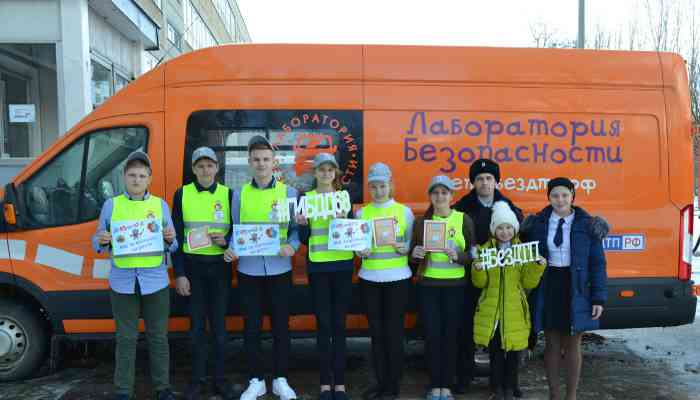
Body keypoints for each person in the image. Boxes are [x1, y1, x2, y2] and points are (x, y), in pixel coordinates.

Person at [92, 150, 177, 400]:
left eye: (142, 175)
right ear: (124, 177)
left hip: (155, 281)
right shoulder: (111, 205)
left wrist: (170, 239)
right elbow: (98, 241)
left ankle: (162, 388)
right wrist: (102, 239)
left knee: (159, 338)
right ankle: (122, 391)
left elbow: (173, 244)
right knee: (126, 339)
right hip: (122, 283)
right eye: (132, 175)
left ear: (150, 178)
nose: (137, 180)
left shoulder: (160, 205)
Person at [223, 135, 300, 400]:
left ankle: (280, 378)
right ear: (249, 163)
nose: (261, 164)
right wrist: (232, 247)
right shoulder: (239, 194)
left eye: (266, 159)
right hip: (248, 271)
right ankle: (255, 380)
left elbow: (295, 231)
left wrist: (292, 245)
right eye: (256, 159)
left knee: (281, 327)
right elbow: (235, 231)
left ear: (274, 162)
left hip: (280, 270)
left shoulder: (289, 193)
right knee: (251, 327)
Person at [521, 177, 608, 400]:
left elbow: (597, 263)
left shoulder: (588, 225)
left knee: (572, 344)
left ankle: (571, 396)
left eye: (565, 195)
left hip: (576, 288)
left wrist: (598, 298)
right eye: (555, 195)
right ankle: (554, 395)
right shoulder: (538, 223)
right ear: (548, 197)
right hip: (549, 285)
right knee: (551, 342)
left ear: (572, 196)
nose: (560, 200)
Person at [452, 159, 524, 396]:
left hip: (501, 284)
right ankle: (464, 377)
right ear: (473, 182)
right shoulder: (461, 207)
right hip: (471, 279)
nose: (484, 182)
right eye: (480, 178)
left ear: (496, 181)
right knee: (466, 329)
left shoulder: (509, 208)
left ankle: (504, 382)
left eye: (489, 178)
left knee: (501, 335)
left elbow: (524, 236)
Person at [171, 146, 236, 400]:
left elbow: (236, 231)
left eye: (210, 165)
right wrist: (180, 273)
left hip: (220, 267)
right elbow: (176, 237)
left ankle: (220, 380)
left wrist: (226, 240)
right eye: (200, 165)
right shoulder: (182, 194)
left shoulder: (228, 194)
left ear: (217, 168)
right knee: (196, 328)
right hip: (193, 269)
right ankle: (197, 380)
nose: (205, 169)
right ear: (194, 169)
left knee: (220, 328)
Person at [472, 201, 546, 400]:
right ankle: (496, 387)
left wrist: (537, 266)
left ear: (514, 229)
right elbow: (481, 283)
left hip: (514, 310)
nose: (504, 232)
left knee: (514, 353)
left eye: (508, 227)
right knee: (495, 353)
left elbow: (528, 282)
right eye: (500, 228)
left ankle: (512, 385)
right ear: (493, 230)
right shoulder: (484, 251)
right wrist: (477, 270)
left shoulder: (522, 251)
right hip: (492, 311)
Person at [410, 175, 475, 400]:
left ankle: (446, 386)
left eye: (444, 193)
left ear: (451, 196)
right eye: (435, 193)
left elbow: (472, 255)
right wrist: (415, 254)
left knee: (450, 336)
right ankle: (434, 384)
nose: (440, 197)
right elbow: (412, 258)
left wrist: (459, 256)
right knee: (432, 335)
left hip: (455, 287)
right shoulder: (421, 223)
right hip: (428, 286)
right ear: (430, 196)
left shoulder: (463, 219)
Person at [296, 153, 354, 400]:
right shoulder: (306, 199)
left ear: (336, 173)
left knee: (339, 326)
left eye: (330, 170)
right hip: (318, 267)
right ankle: (324, 383)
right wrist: (302, 224)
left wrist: (344, 221)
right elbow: (303, 240)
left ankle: (339, 383)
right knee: (324, 325)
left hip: (342, 265)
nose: (326, 174)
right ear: (315, 173)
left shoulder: (343, 198)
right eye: (322, 169)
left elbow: (352, 234)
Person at [357, 162, 415, 400]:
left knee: (394, 333)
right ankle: (380, 383)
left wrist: (406, 248)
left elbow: (413, 246)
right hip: (370, 279)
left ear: (390, 185)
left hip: (398, 280)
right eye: (374, 187)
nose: (378, 191)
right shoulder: (362, 213)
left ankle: (392, 386)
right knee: (376, 334)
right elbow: (357, 246)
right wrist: (359, 251)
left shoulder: (405, 212)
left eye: (382, 185)